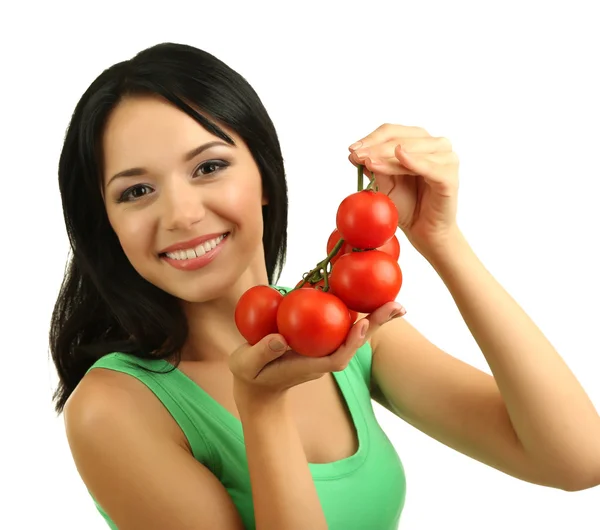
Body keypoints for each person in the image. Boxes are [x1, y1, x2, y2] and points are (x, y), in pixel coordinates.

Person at [50, 42, 600, 530]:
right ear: (107, 223)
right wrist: (261, 407)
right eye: (137, 190)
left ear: (264, 177)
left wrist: (441, 239)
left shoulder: (338, 327)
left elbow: (577, 459)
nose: (182, 214)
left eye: (208, 167)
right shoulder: (115, 408)